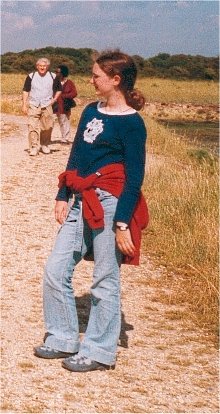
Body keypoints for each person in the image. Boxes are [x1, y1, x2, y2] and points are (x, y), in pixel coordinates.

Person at [34, 50, 149, 372]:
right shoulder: (89, 111)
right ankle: (62, 338)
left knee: (105, 280)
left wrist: (123, 222)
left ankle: (99, 350)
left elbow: (134, 177)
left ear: (115, 80)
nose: (91, 79)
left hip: (111, 205)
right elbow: (77, 158)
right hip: (81, 200)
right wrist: (62, 194)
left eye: (96, 75)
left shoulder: (132, 125)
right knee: (56, 270)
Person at [22, 57, 62, 156]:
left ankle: (44, 144)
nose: (42, 68)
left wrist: (54, 99)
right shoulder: (31, 76)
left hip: (47, 104)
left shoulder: (53, 76)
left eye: (44, 66)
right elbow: (25, 90)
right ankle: (34, 147)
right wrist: (24, 104)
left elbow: (59, 89)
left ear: (47, 67)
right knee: (32, 126)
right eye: (40, 66)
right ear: (37, 66)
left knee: (47, 126)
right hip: (34, 104)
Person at [53, 65, 77, 143]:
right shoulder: (53, 82)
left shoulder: (69, 83)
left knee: (64, 121)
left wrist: (63, 96)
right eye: (55, 72)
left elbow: (74, 93)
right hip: (53, 105)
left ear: (63, 73)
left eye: (58, 72)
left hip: (64, 105)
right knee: (50, 122)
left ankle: (65, 138)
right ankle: (45, 139)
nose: (56, 73)